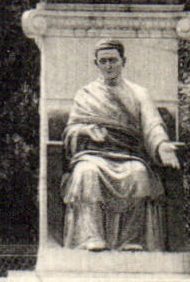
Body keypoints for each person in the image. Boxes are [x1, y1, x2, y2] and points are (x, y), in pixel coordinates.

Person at [60, 38, 180, 251]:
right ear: (96, 63)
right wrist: (86, 131)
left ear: (123, 61)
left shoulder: (138, 93)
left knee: (138, 174)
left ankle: (131, 239)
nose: (109, 66)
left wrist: (162, 145)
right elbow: (71, 130)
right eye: (103, 61)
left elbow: (152, 124)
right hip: (93, 154)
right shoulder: (86, 94)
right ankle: (90, 236)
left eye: (113, 60)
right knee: (86, 173)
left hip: (128, 154)